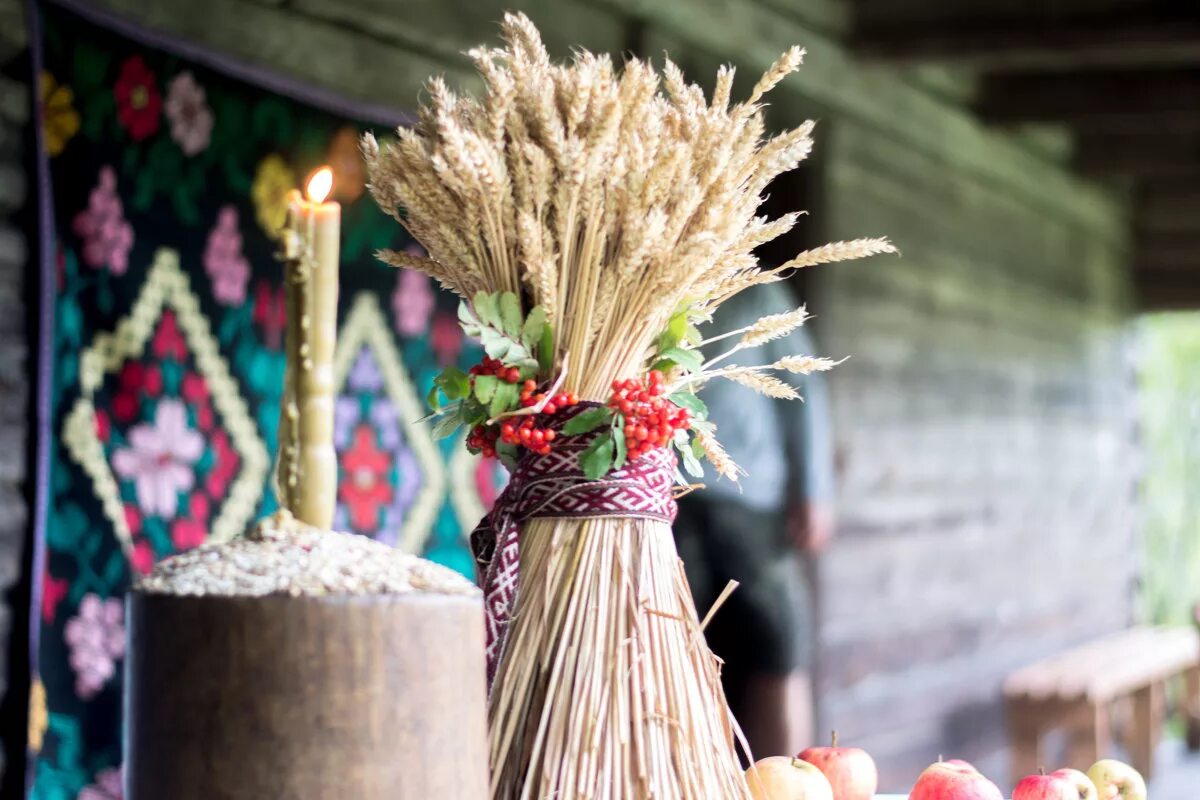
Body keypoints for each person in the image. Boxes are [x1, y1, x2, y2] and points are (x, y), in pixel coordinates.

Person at [674, 277, 835, 759]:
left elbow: (804, 385)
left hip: (756, 500)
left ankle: (784, 781)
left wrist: (814, 489)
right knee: (679, 645)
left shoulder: (759, 293)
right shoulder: (658, 286)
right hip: (670, 500)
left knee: (779, 645)